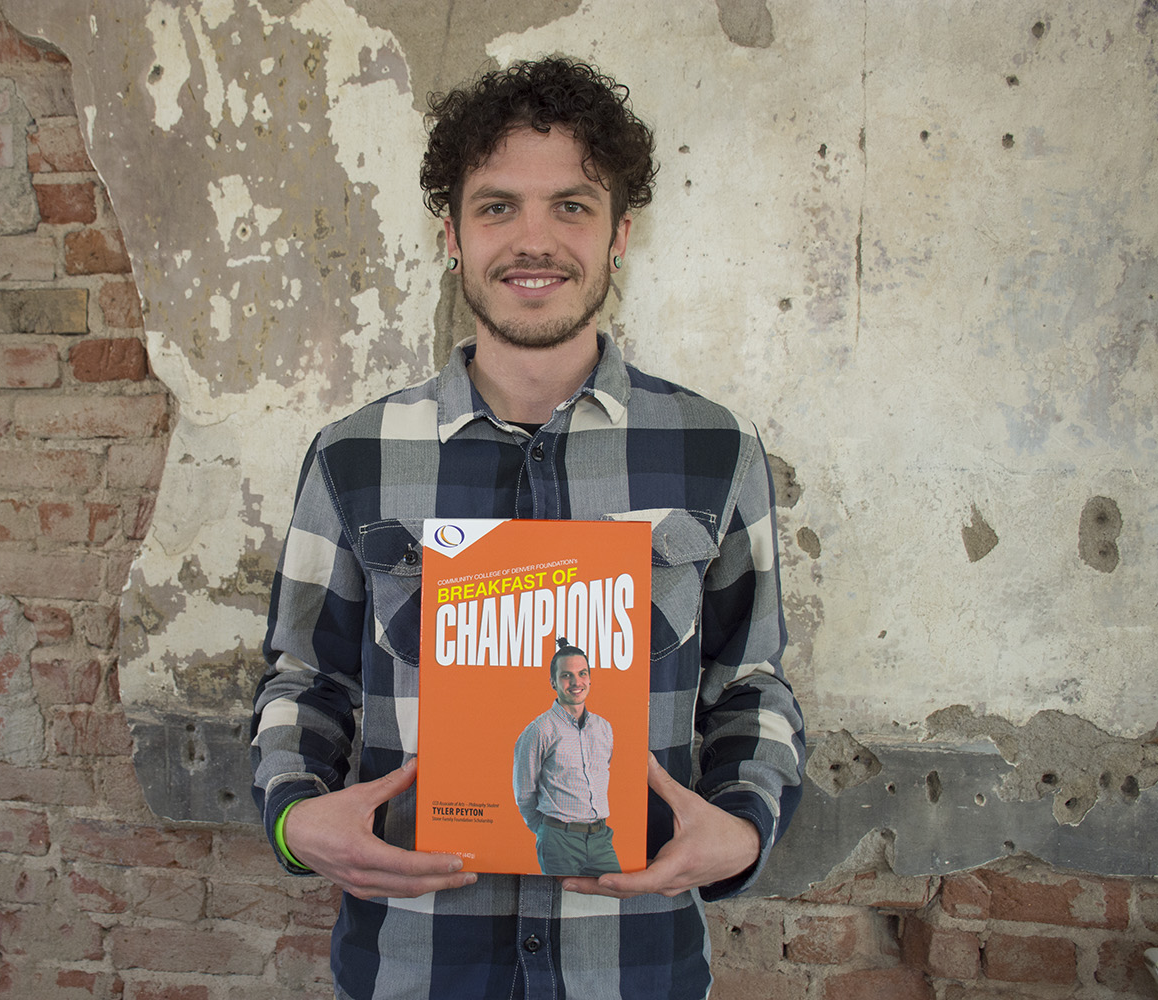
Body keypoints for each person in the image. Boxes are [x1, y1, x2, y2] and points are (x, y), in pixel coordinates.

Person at [251, 55, 805, 1000]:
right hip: (414, 965)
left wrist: (746, 824)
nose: (534, 241)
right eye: (498, 206)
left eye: (573, 206)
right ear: (453, 236)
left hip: (633, 966)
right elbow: (305, 681)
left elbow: (751, 684)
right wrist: (294, 820)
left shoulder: (716, 452)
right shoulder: (354, 455)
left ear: (622, 233)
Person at [513, 639, 620, 876]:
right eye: (566, 675)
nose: (576, 682)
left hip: (601, 838)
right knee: (562, 902)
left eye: (582, 673)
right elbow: (524, 793)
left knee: (613, 899)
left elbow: (603, 771)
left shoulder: (604, 728)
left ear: (590, 678)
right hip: (559, 840)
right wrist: (546, 831)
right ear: (553, 682)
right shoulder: (539, 731)